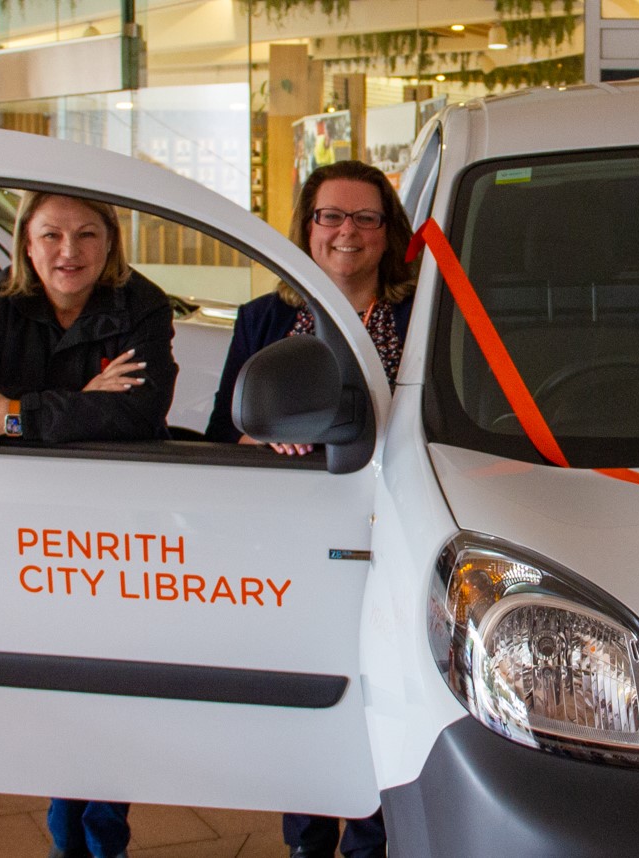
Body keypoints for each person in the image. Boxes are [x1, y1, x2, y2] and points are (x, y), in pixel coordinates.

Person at [0, 191, 176, 858]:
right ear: (26, 243)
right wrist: (81, 405)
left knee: (114, 686)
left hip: (113, 531)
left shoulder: (139, 305)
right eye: (52, 235)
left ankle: (102, 837)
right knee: (58, 689)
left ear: (110, 242)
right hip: (23, 533)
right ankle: (71, 832)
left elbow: (141, 416)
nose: (70, 252)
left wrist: (11, 414)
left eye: (87, 235)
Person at [206, 160, 415, 858]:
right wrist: (261, 432)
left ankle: (372, 839)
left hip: (393, 536)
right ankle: (305, 839)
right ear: (307, 227)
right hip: (292, 544)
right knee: (307, 696)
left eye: (364, 218)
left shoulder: (419, 317)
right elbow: (222, 433)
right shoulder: (263, 319)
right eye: (330, 216)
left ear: (388, 233)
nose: (345, 232)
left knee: (380, 694)